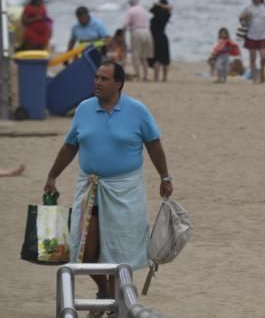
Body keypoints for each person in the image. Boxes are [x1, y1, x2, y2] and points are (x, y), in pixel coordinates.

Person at [43, 61, 172, 307]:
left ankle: (117, 302)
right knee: (85, 251)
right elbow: (70, 145)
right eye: (96, 78)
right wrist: (52, 175)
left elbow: (154, 144)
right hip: (90, 189)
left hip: (126, 190)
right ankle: (105, 292)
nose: (97, 83)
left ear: (119, 83)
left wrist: (164, 177)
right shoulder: (84, 108)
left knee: (121, 252)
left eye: (104, 79)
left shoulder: (137, 110)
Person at [123, 0, 153, 82]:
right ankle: (145, 76)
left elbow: (125, 24)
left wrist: (123, 33)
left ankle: (138, 76)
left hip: (137, 32)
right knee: (144, 57)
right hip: (147, 32)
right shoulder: (144, 10)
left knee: (135, 56)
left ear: (130, 3)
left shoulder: (130, 11)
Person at [148, 0, 171, 82]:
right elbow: (151, 9)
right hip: (161, 37)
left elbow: (170, 7)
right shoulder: (166, 14)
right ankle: (163, 78)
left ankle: (157, 78)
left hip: (156, 38)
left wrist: (158, 4)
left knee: (157, 59)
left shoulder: (160, 13)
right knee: (163, 59)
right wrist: (159, 5)